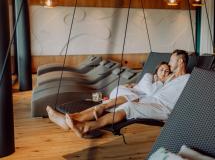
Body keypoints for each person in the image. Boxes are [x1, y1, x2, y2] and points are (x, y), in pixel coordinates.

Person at [46, 49, 190, 138]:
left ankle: (85, 127)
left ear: (181, 61)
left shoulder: (188, 78)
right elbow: (154, 88)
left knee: (128, 106)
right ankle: (73, 120)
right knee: (115, 105)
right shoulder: (170, 77)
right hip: (152, 101)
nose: (169, 65)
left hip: (163, 108)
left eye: (172, 60)